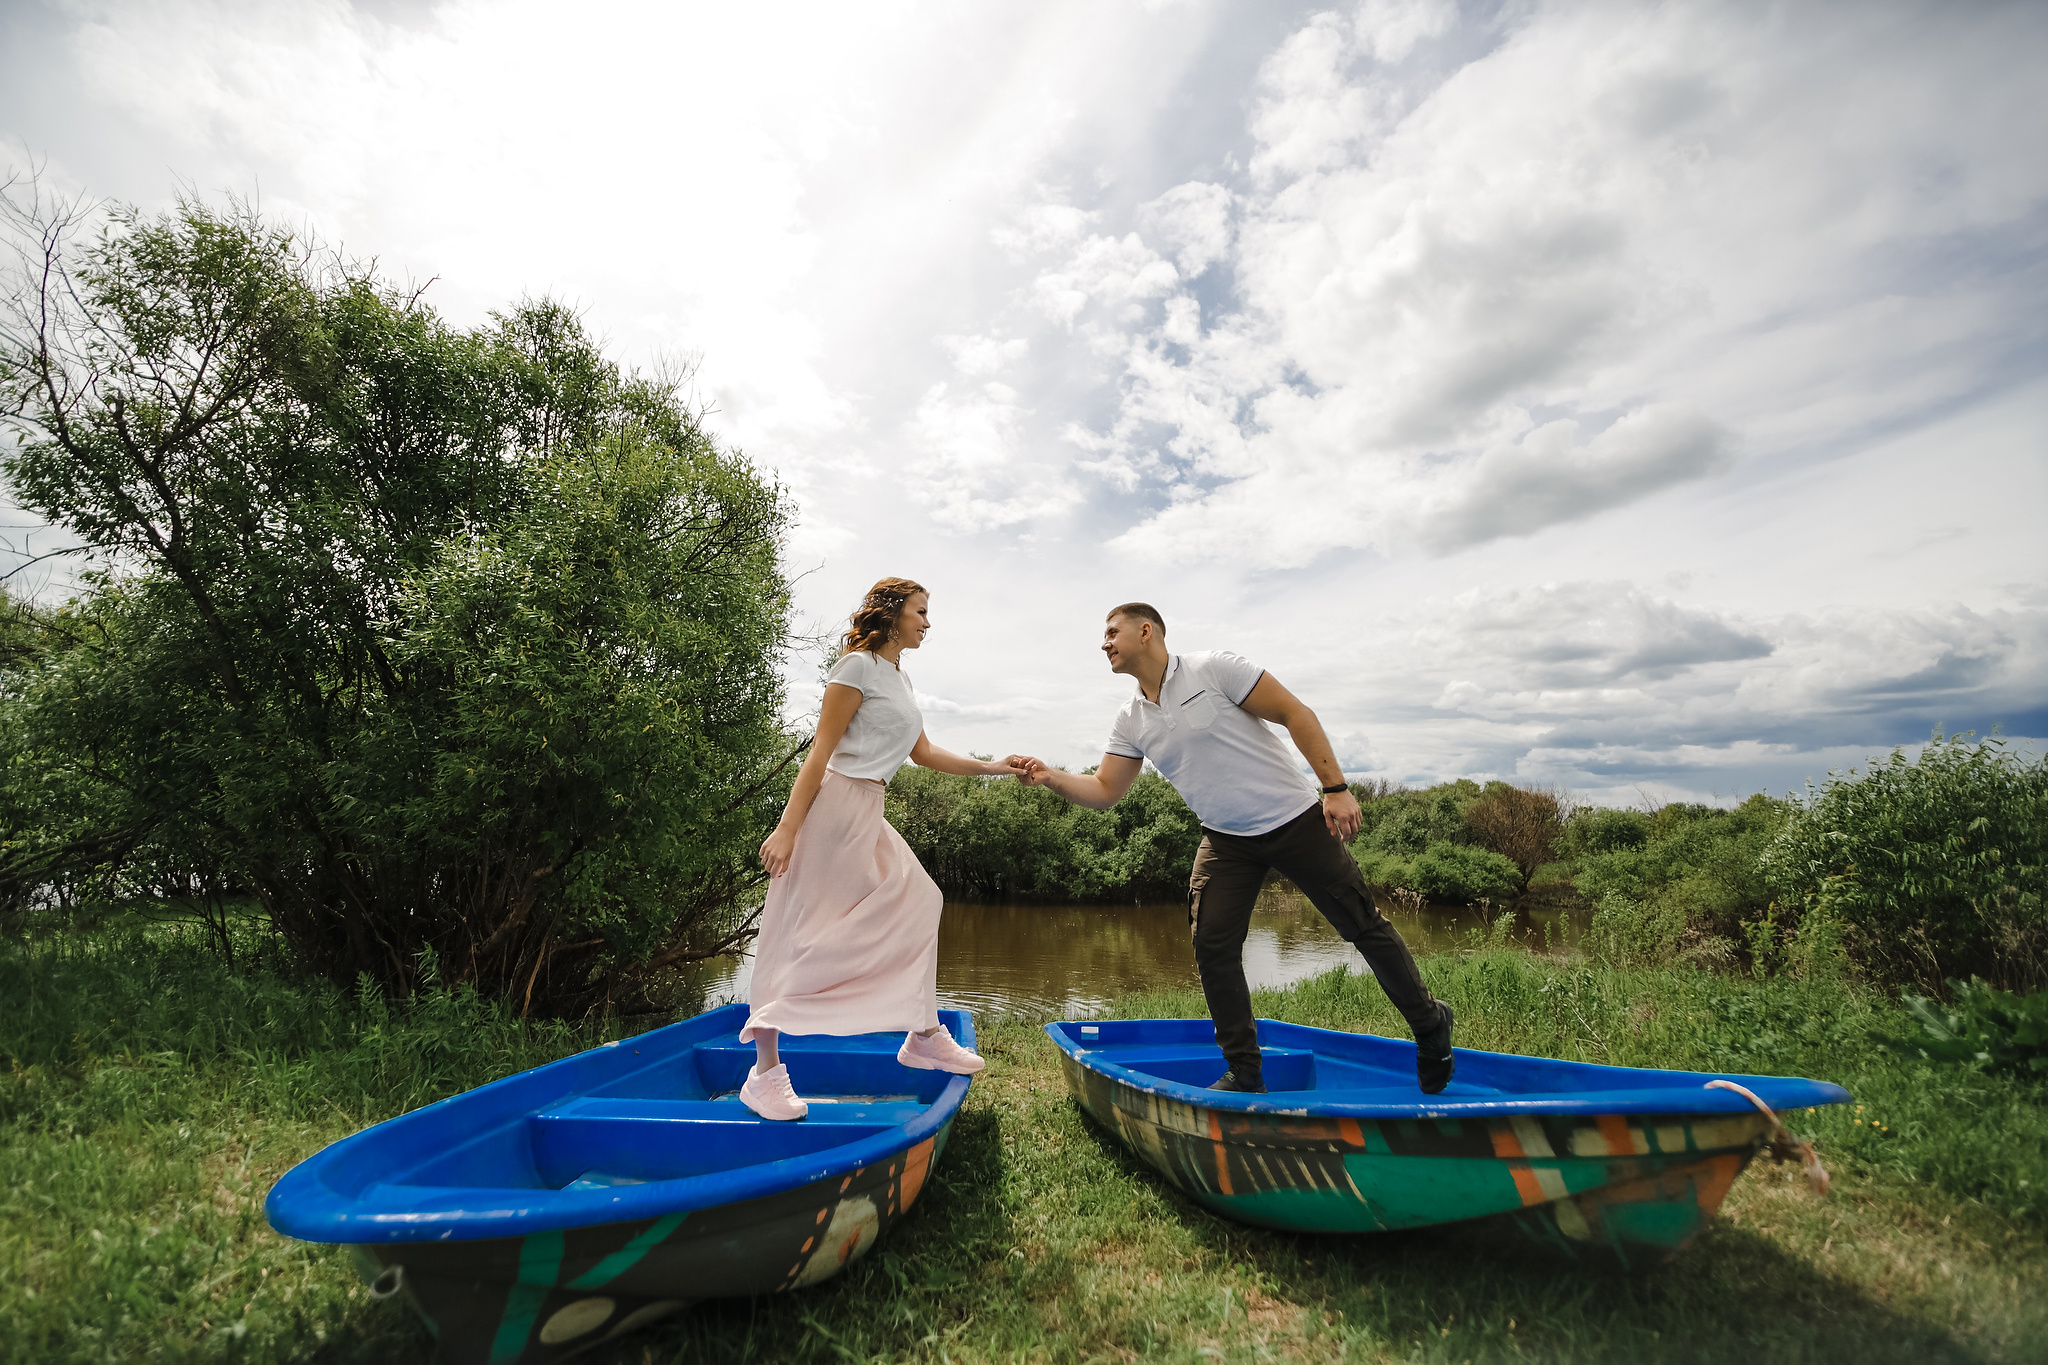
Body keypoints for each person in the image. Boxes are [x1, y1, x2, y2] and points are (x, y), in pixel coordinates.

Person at [1008, 603, 1455, 1094]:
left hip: (1294, 820)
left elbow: (1293, 712)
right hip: (1226, 840)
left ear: (1145, 631)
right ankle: (1245, 1071)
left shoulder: (1212, 668)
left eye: (1112, 632)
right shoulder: (1130, 718)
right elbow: (1105, 791)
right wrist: (1049, 776)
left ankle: (1430, 1025)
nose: (1104, 643)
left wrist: (1335, 787)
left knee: (1361, 926)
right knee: (1212, 946)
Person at [739, 577, 1019, 1121]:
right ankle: (764, 1074)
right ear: (891, 614)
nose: (927, 623)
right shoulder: (857, 667)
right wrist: (789, 827)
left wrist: (995, 768)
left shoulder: (898, 677)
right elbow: (820, 752)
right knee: (798, 933)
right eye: (920, 611)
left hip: (869, 809)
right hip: (833, 809)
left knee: (920, 900)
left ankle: (922, 1035)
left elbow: (924, 753)